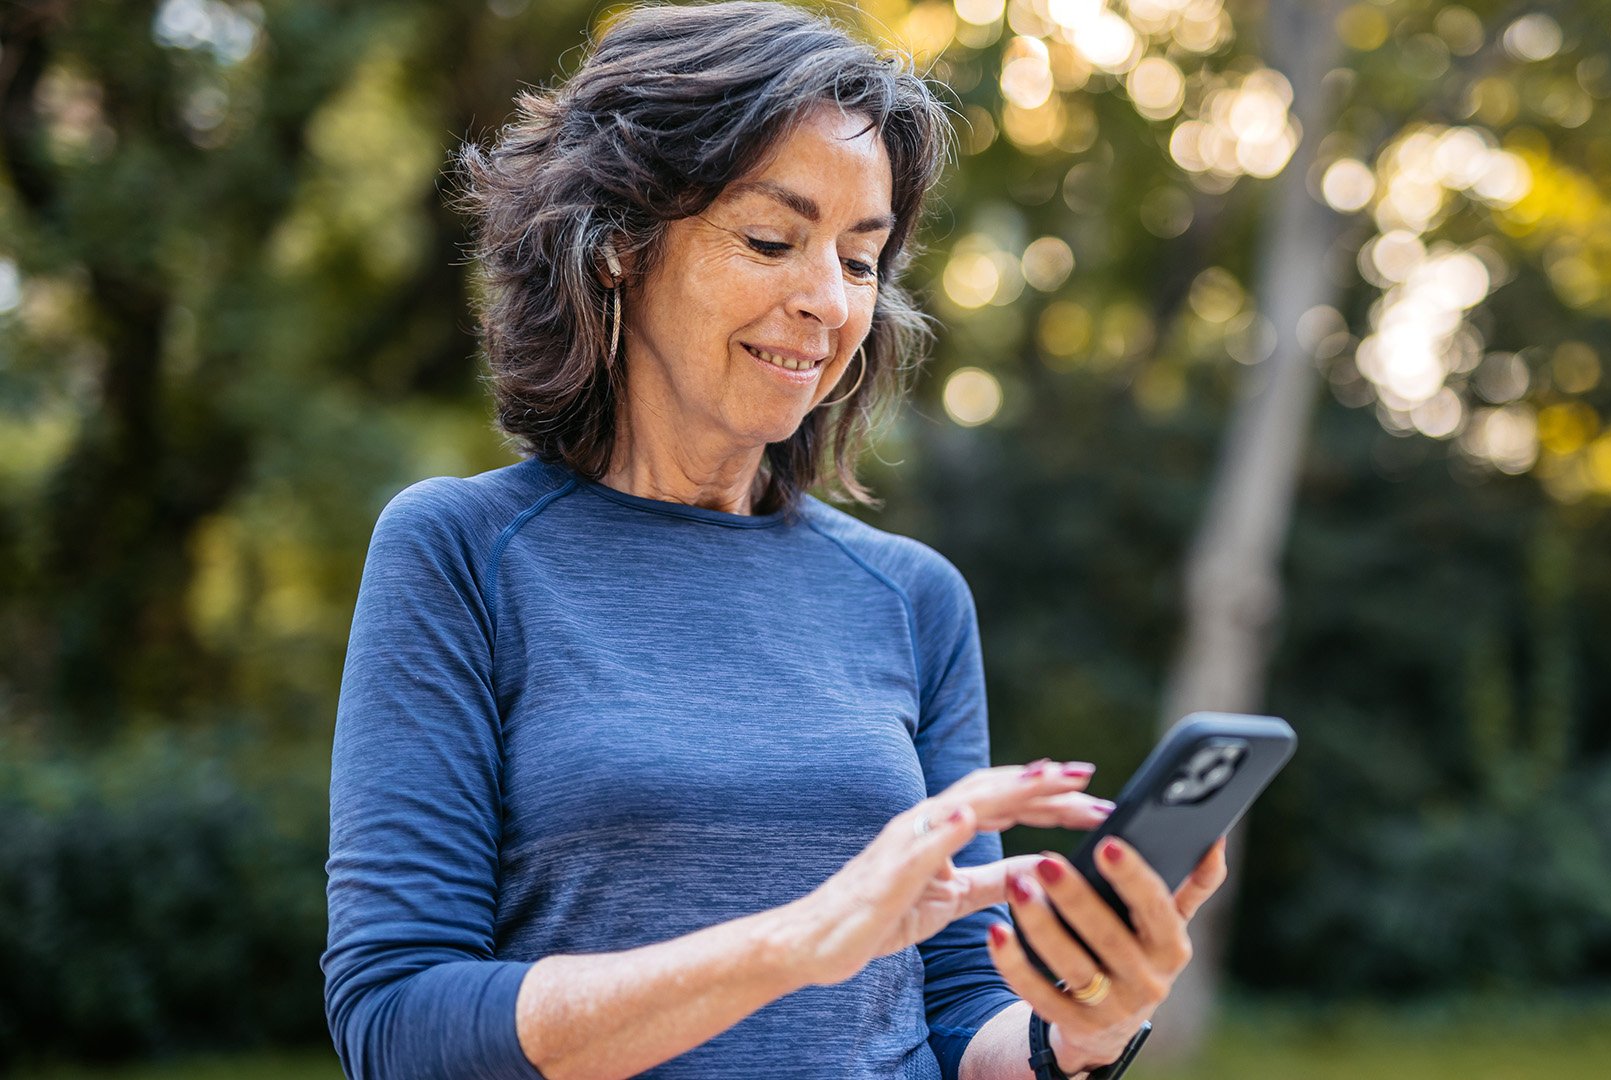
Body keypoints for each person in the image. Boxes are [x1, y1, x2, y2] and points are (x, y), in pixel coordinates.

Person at [320, 4, 1228, 1078]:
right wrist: (801, 940)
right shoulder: (462, 555)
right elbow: (397, 1024)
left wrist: (1078, 1030)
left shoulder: (910, 597)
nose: (827, 302)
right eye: (770, 239)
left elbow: (958, 1018)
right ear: (615, 246)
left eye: (860, 257)